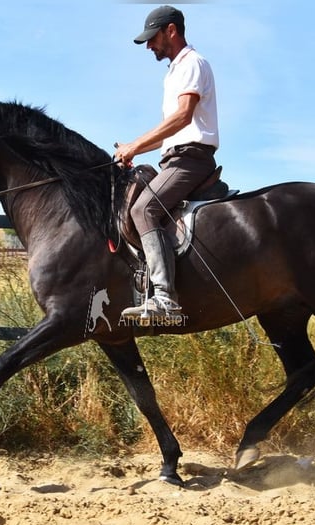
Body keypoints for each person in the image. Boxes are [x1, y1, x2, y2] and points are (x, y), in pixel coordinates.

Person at [116, 4, 219, 322]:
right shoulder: (174, 72)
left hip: (191, 159)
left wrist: (136, 145)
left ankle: (164, 297)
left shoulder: (193, 64)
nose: (149, 45)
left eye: (152, 38)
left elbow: (183, 117)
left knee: (142, 209)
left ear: (171, 31)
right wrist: (135, 149)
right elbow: (170, 131)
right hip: (175, 157)